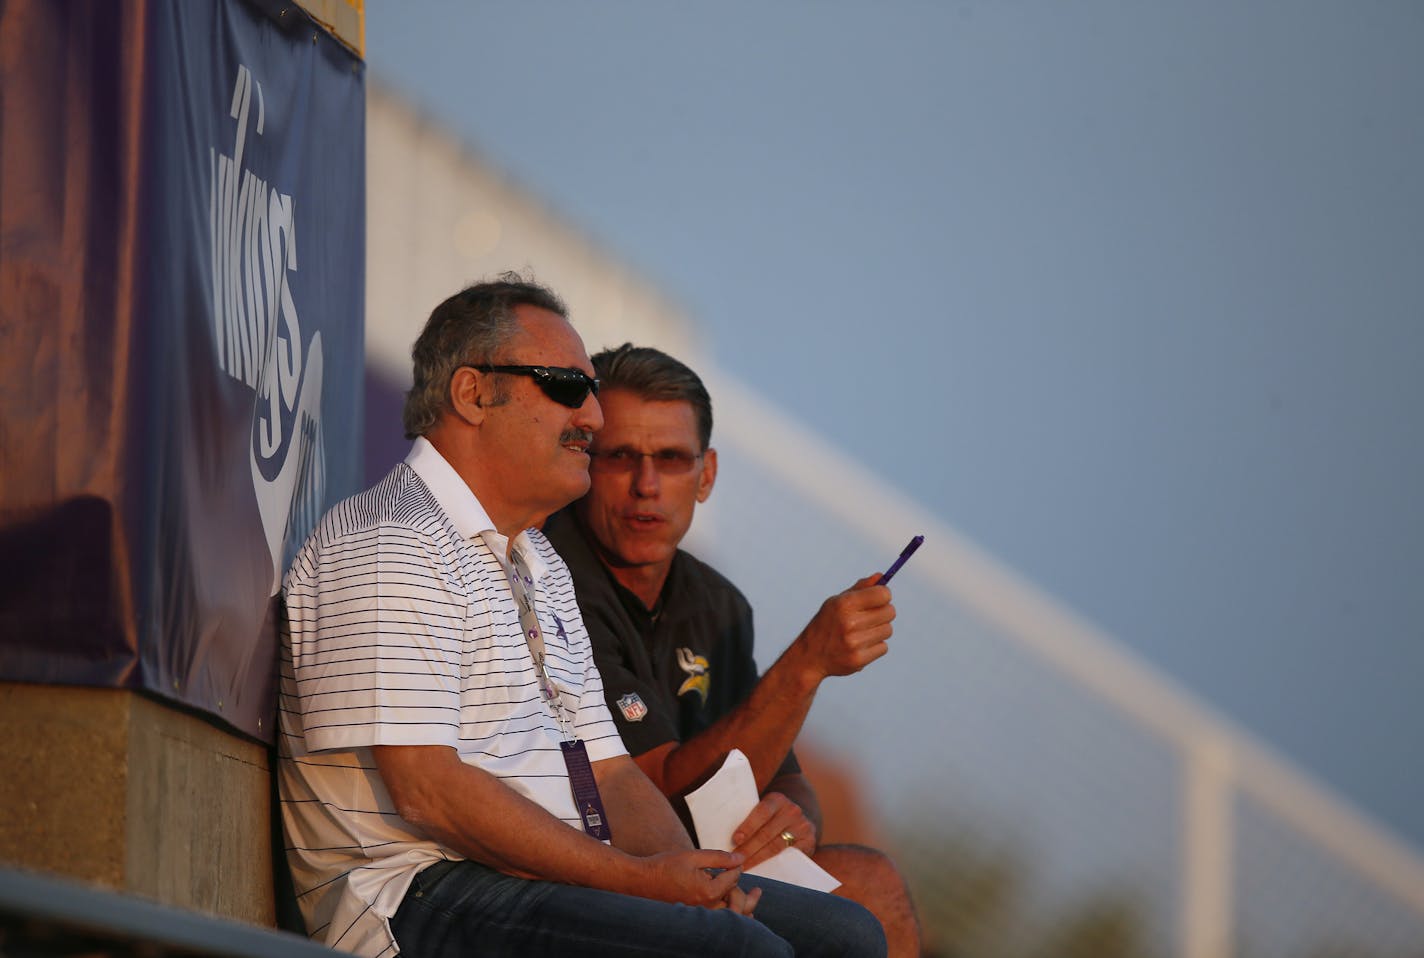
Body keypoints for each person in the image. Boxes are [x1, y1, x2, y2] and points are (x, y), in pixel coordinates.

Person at [276, 275, 887, 958]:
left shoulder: (535, 558)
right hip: (415, 892)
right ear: (473, 394)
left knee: (848, 935)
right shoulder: (393, 539)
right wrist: (636, 881)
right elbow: (429, 792)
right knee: (741, 954)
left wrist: (699, 879)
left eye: (590, 391)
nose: (592, 418)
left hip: (542, 877)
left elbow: (611, 773)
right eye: (566, 386)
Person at [543, 344, 922, 957]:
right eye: (621, 458)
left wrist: (796, 819)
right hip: (608, 867)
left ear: (707, 474)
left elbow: (784, 776)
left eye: (670, 459)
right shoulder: (550, 575)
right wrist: (808, 662)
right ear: (586, 460)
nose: (646, 486)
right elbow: (654, 794)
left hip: (704, 863)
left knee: (873, 881)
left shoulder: (717, 603)